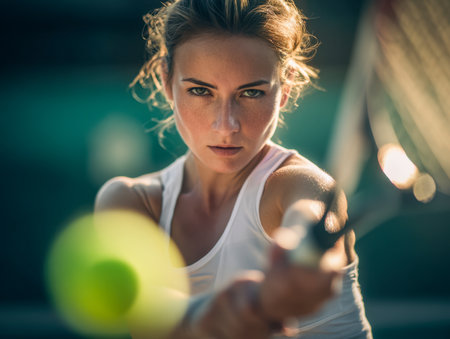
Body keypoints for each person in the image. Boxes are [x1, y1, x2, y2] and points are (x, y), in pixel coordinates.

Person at [95, 0, 372, 338]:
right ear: (166, 81)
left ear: (284, 90)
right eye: (200, 91)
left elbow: (309, 219)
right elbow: (143, 312)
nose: (226, 125)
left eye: (252, 92)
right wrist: (211, 316)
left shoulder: (301, 184)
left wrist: (302, 256)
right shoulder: (128, 202)